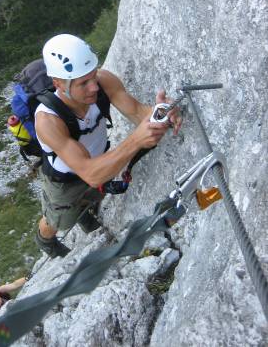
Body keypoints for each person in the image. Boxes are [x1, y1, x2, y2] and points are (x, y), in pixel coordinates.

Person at [34, 34, 182, 258]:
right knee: (58, 221)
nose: (94, 87)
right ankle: (45, 240)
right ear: (58, 84)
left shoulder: (103, 81)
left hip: (99, 160)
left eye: (93, 76)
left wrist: (162, 113)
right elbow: (91, 174)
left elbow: (137, 112)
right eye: (83, 83)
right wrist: (136, 140)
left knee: (93, 198)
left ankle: (84, 213)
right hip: (65, 181)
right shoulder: (48, 120)